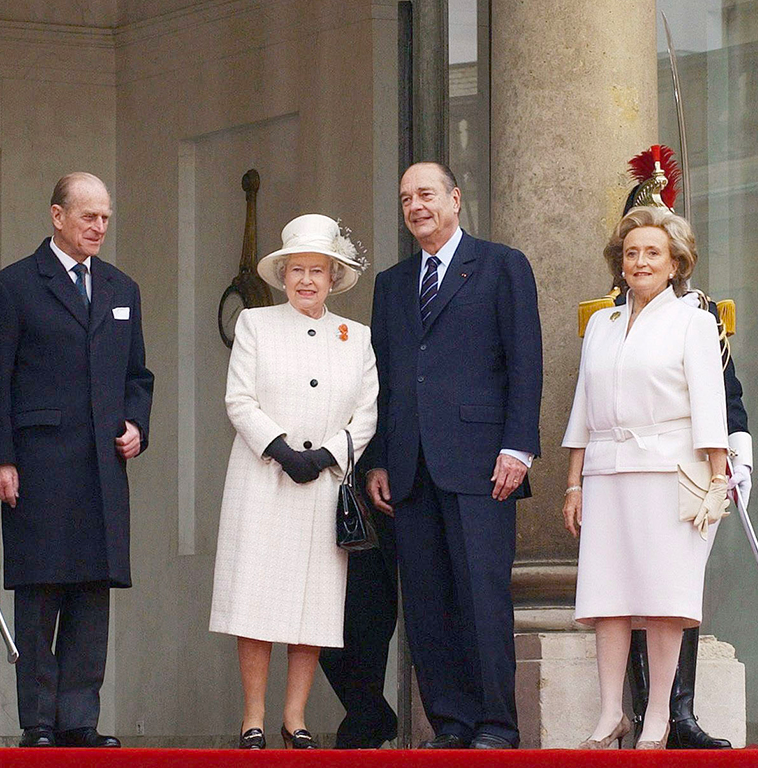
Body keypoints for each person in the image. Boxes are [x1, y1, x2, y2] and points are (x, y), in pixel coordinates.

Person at [0, 172, 154, 749]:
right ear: (57, 216)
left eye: (105, 217)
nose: (99, 227)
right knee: (41, 590)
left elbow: (138, 377)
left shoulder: (122, 289)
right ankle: (39, 723)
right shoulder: (12, 287)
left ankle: (79, 720)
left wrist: (136, 424)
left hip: (102, 466)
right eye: (88, 216)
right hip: (39, 465)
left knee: (92, 592)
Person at [366, 162, 543, 749]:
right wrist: (378, 460)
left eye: (426, 194)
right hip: (410, 467)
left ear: (455, 198)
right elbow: (384, 380)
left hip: (483, 464)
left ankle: (496, 724)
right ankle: (450, 723)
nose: (416, 206)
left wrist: (518, 447)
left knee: (482, 596)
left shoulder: (501, 265)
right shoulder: (391, 284)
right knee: (427, 603)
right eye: (406, 198)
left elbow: (525, 362)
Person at [580, 146, 753, 749]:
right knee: (615, 594)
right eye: (632, 250)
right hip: (613, 468)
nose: (640, 260)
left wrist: (729, 465)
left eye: (653, 250)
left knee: (666, 595)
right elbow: (586, 406)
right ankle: (621, 712)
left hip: (674, 467)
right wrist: (576, 479)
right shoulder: (602, 323)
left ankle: (672, 714)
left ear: (675, 259)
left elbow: (720, 396)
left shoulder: (696, 316)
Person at [209, 213, 378, 750]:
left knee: (314, 604)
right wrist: (282, 450)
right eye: (297, 270)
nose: (307, 280)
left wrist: (326, 454)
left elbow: (367, 413)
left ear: (333, 277)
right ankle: (253, 719)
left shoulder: (357, 337)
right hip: (263, 478)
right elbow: (240, 400)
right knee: (256, 600)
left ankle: (295, 718)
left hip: (323, 484)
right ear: (283, 275)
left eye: (317, 270)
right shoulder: (255, 324)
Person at [317, 461, 399, 749]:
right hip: (312, 492)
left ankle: (363, 725)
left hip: (367, 499)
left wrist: (376, 466)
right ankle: (373, 716)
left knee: (370, 623)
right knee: (322, 638)